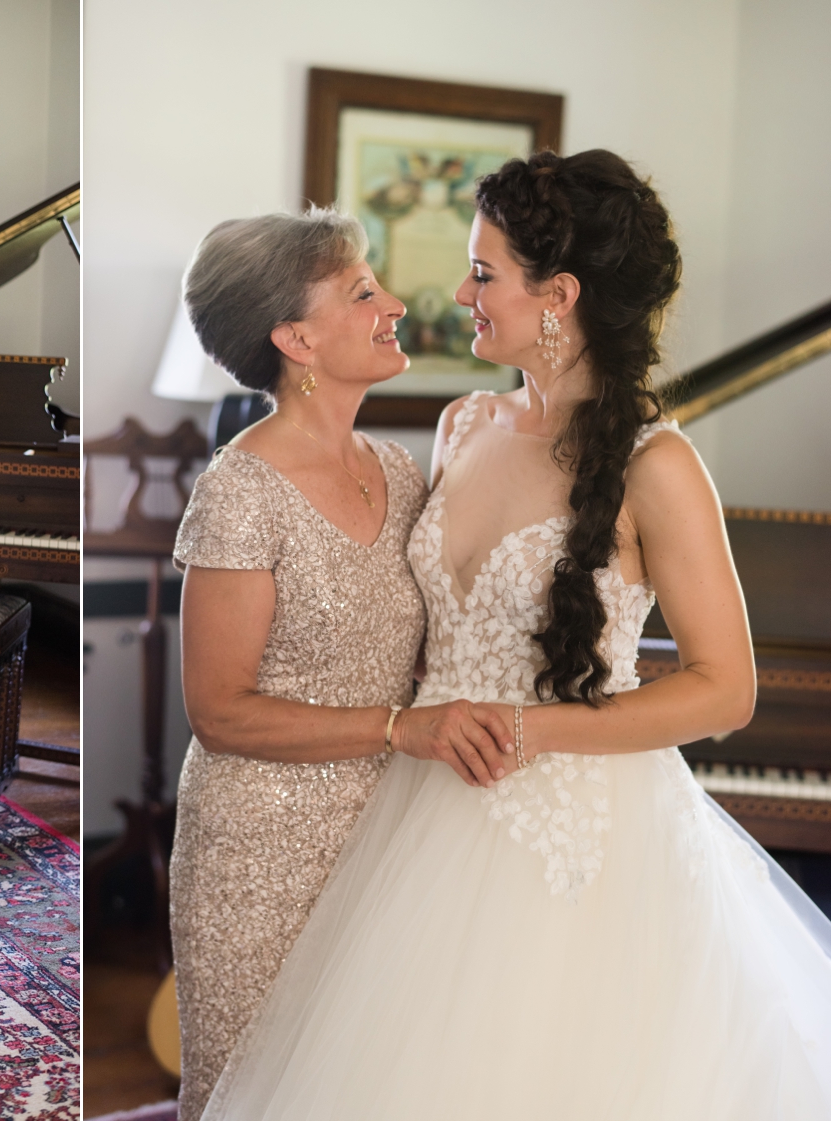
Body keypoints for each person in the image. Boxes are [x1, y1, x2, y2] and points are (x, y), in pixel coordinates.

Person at [201, 151, 831, 1121]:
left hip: (578, 833)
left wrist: (528, 727)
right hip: (414, 810)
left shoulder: (659, 467)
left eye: (484, 271)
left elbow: (724, 688)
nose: (458, 293)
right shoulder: (461, 424)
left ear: (559, 295)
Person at [170, 208, 518, 1121]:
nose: (395, 303)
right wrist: (402, 728)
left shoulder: (402, 473)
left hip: (392, 839)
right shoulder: (239, 490)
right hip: (257, 850)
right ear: (295, 338)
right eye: (364, 292)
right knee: (258, 1088)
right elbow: (219, 710)